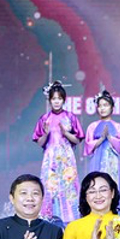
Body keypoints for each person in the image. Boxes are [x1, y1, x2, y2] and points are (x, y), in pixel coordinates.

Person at [33, 81, 85, 224]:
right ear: (50, 100)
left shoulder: (70, 117)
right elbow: (40, 142)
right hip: (50, 157)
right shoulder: (45, 119)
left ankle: (70, 219)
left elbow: (77, 139)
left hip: (66, 156)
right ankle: (50, 218)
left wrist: (66, 133)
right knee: (50, 186)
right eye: (54, 98)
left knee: (68, 186)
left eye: (59, 98)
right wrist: (46, 133)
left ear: (64, 100)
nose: (57, 101)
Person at [83, 90, 120, 183]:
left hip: (112, 160)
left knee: (112, 183)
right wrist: (101, 139)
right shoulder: (92, 126)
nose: (102, 108)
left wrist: (109, 137)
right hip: (96, 159)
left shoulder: (118, 126)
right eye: (100, 106)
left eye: (105, 105)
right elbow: (88, 146)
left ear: (112, 107)